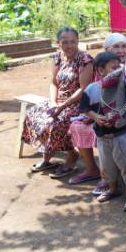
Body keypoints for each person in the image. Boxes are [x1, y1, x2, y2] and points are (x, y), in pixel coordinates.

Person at [23, 27, 94, 178]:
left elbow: (83, 89)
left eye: (73, 42)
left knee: (58, 121)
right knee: (33, 115)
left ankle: (71, 157)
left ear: (78, 42)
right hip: (58, 101)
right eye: (65, 42)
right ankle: (46, 158)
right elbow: (53, 83)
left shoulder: (85, 60)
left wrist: (62, 106)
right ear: (58, 43)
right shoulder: (58, 57)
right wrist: (53, 102)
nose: (69, 46)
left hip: (78, 102)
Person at [68, 33, 126, 193]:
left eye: (123, 46)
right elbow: (89, 103)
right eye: (116, 46)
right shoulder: (97, 80)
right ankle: (108, 182)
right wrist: (95, 117)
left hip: (121, 127)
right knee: (106, 160)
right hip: (101, 127)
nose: (121, 50)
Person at [79, 51, 126, 208]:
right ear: (100, 71)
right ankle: (113, 189)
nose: (118, 70)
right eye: (113, 68)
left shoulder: (124, 88)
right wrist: (96, 118)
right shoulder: (91, 89)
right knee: (107, 167)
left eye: (119, 67)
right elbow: (84, 108)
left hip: (121, 135)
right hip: (102, 137)